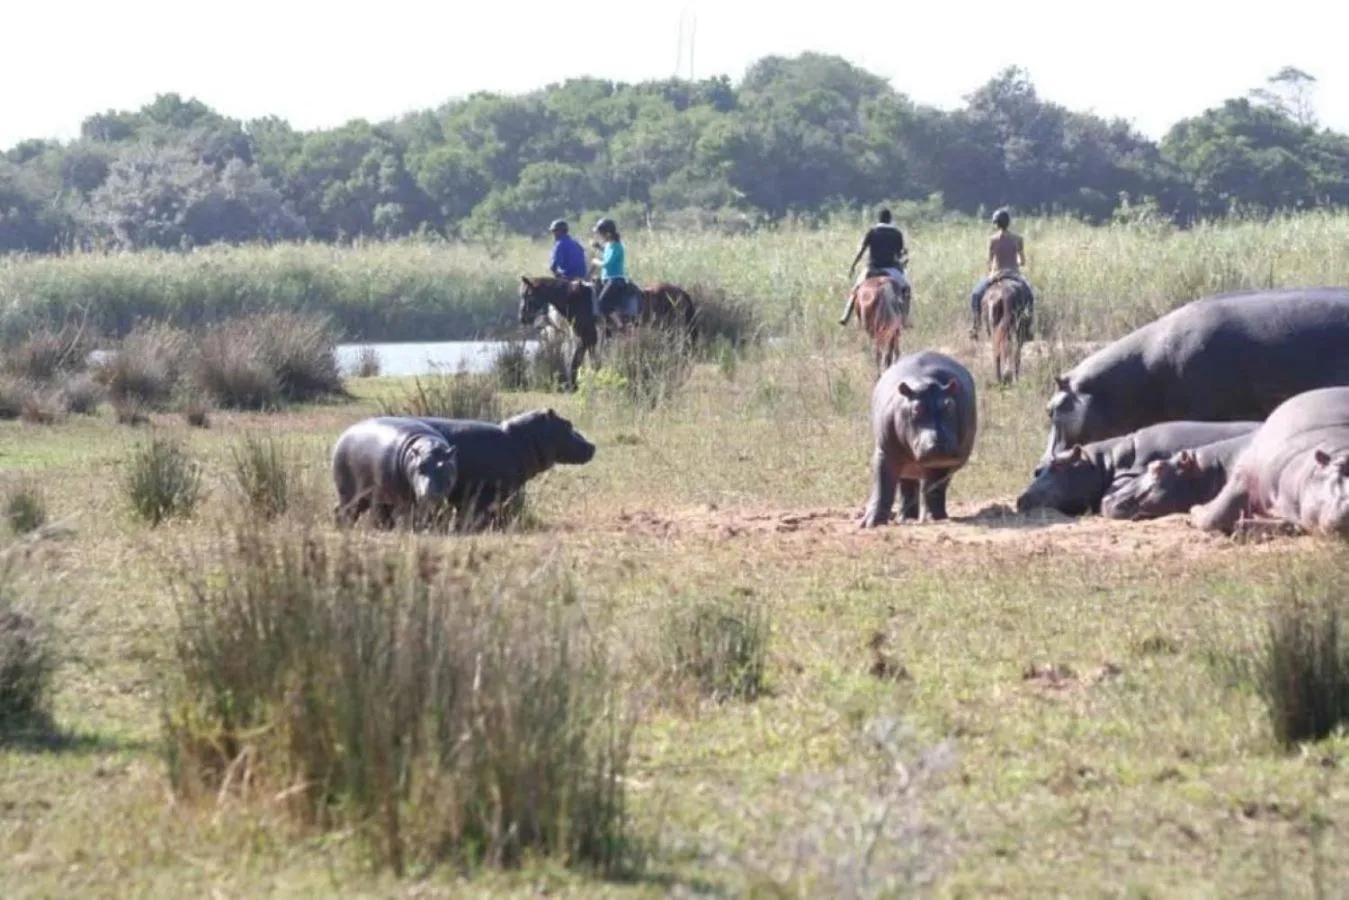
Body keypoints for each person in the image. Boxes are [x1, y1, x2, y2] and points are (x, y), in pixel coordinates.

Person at [970, 207, 1033, 337]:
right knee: (1030, 295)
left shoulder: (992, 240)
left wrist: (992, 268)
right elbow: (1023, 261)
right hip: (1014, 274)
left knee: (976, 295)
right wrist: (1016, 262)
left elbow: (989, 261)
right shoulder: (1018, 239)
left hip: (996, 274)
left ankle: (976, 326)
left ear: (995, 223)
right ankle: (1027, 328)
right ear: (1008, 223)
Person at [839, 208, 910, 325]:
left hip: (872, 268)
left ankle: (846, 315)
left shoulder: (872, 232)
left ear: (879, 218)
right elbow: (900, 255)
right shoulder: (897, 234)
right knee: (906, 288)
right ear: (890, 219)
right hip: (891, 269)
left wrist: (853, 266)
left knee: (856, 288)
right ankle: (904, 318)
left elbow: (861, 251)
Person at [591, 217, 632, 321]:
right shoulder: (609, 245)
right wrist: (599, 247)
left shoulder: (617, 246)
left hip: (615, 279)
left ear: (608, 234)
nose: (599, 236)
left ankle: (620, 325)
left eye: (600, 233)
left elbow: (607, 263)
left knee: (602, 304)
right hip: (606, 279)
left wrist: (595, 261)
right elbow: (607, 253)